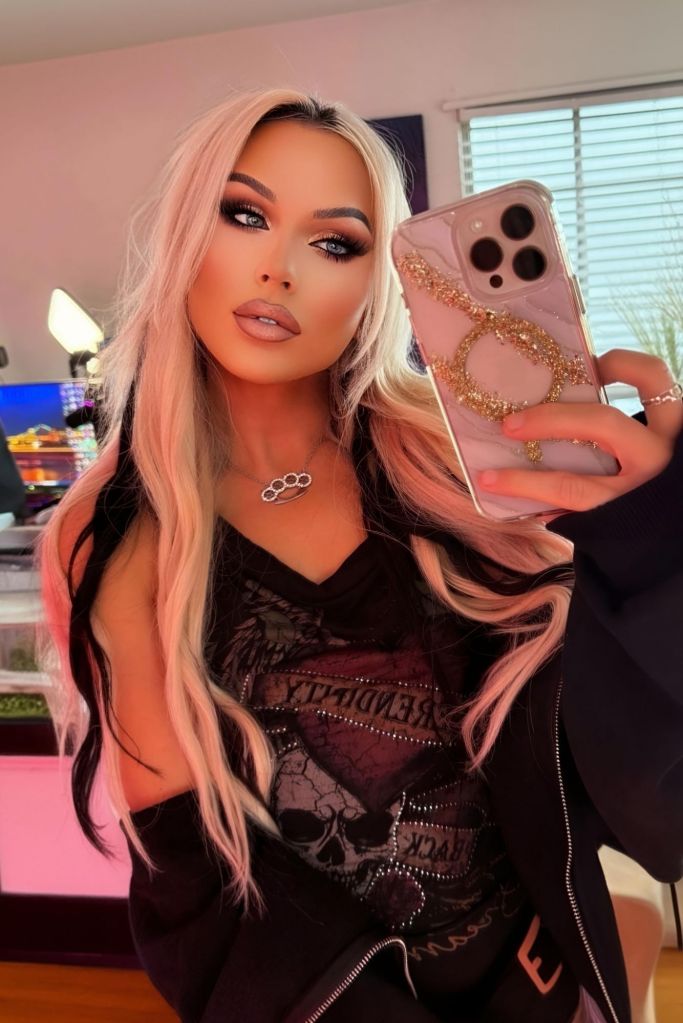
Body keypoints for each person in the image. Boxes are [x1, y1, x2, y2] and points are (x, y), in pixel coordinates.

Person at [40, 89, 682, 1023]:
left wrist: (653, 540)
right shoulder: (114, 534)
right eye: (244, 214)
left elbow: (656, 803)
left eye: (334, 242)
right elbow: (198, 895)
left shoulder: (464, 470)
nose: (278, 267)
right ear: (184, 233)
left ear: (378, 281)